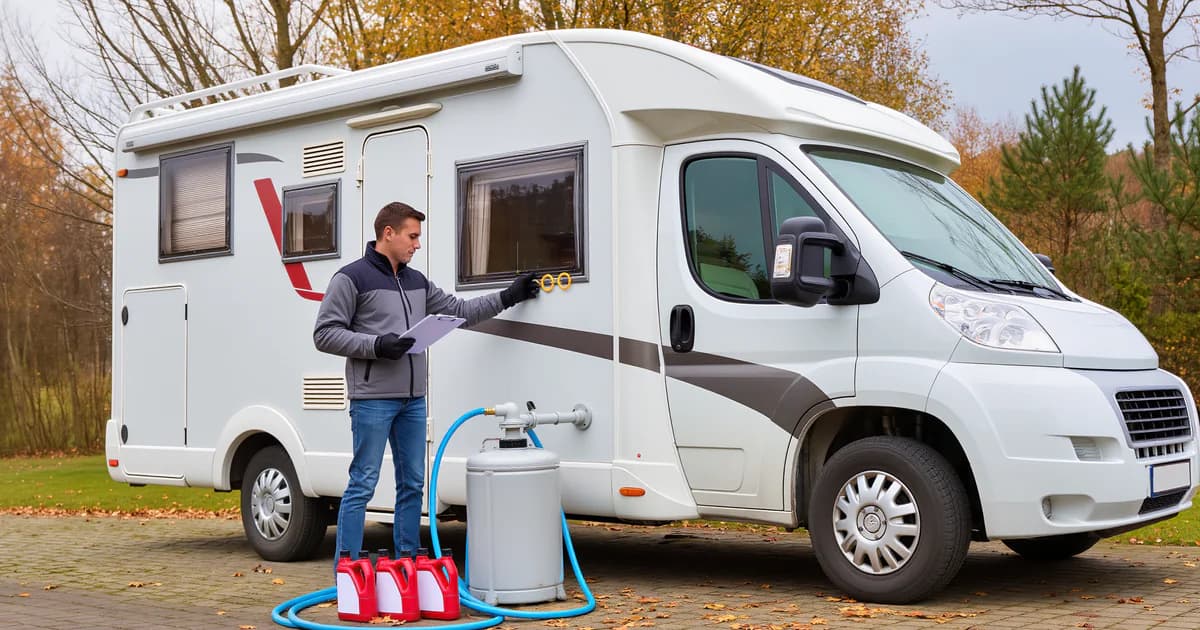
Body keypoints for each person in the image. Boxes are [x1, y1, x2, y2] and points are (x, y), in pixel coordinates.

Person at [314, 201, 540, 566]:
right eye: (412, 236)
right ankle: (349, 568)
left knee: (413, 485)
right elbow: (324, 334)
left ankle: (408, 562)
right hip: (373, 399)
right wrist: (377, 345)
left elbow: (460, 313)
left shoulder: (416, 281)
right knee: (363, 483)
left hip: (413, 401)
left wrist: (508, 296)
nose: (417, 244)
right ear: (388, 234)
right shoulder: (351, 278)